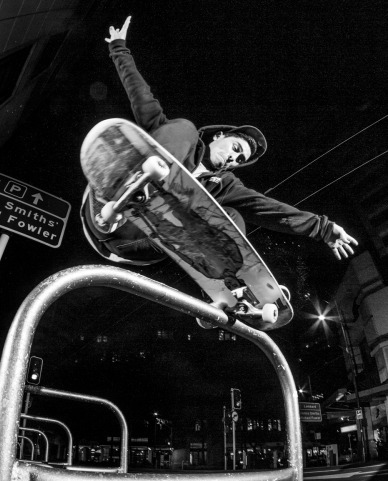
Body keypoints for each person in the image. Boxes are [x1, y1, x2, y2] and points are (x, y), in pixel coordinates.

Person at [81, 16, 358, 284]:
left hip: (141, 240)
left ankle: (229, 290)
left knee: (232, 219)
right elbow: (141, 95)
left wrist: (322, 228)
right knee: (185, 128)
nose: (233, 159)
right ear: (221, 135)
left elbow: (268, 209)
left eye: (239, 160)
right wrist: (119, 48)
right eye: (236, 148)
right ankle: (135, 185)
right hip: (104, 208)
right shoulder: (177, 133)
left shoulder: (224, 186)